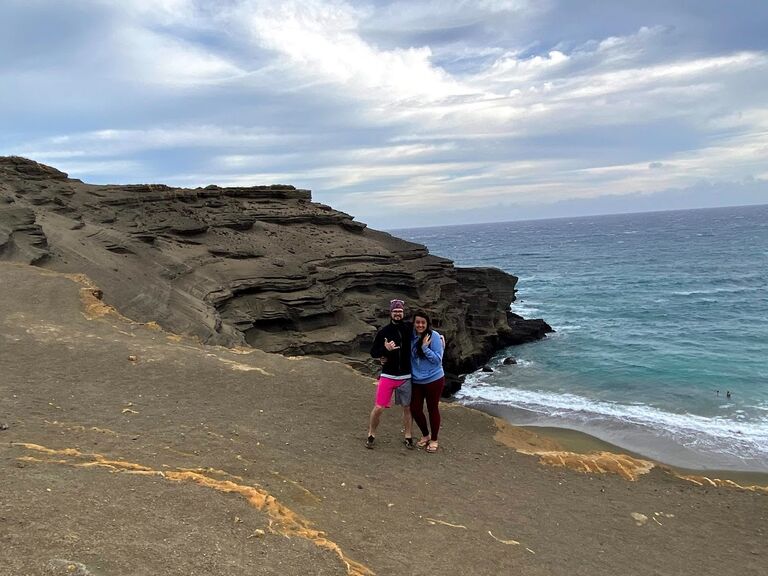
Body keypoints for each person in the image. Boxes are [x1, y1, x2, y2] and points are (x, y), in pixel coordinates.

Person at [366, 299, 414, 449]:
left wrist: (439, 338)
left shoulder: (409, 328)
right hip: (388, 376)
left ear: (403, 313)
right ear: (390, 313)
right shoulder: (384, 332)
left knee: (407, 408)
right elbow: (373, 352)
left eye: (400, 311)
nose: (398, 314)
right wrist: (385, 349)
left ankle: (408, 436)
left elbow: (424, 330)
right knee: (379, 407)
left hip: (406, 376)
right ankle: (371, 434)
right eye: (395, 311)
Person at [409, 310, 445, 454]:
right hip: (417, 380)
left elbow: (438, 360)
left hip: (434, 379)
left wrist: (424, 348)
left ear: (427, 324)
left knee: (432, 409)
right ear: (414, 323)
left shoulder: (434, 336)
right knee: (415, 409)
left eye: (423, 322)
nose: (420, 325)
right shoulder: (411, 337)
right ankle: (425, 435)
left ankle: (434, 439)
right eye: (417, 322)